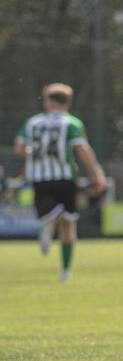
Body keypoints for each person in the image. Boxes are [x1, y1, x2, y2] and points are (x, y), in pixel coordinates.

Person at [13, 83, 107, 282]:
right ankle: (65, 271)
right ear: (68, 102)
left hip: (39, 177)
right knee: (68, 224)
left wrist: (35, 156)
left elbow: (20, 149)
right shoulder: (72, 123)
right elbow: (83, 151)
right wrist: (96, 174)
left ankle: (46, 224)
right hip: (65, 177)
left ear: (48, 101)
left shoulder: (32, 123)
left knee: (47, 214)